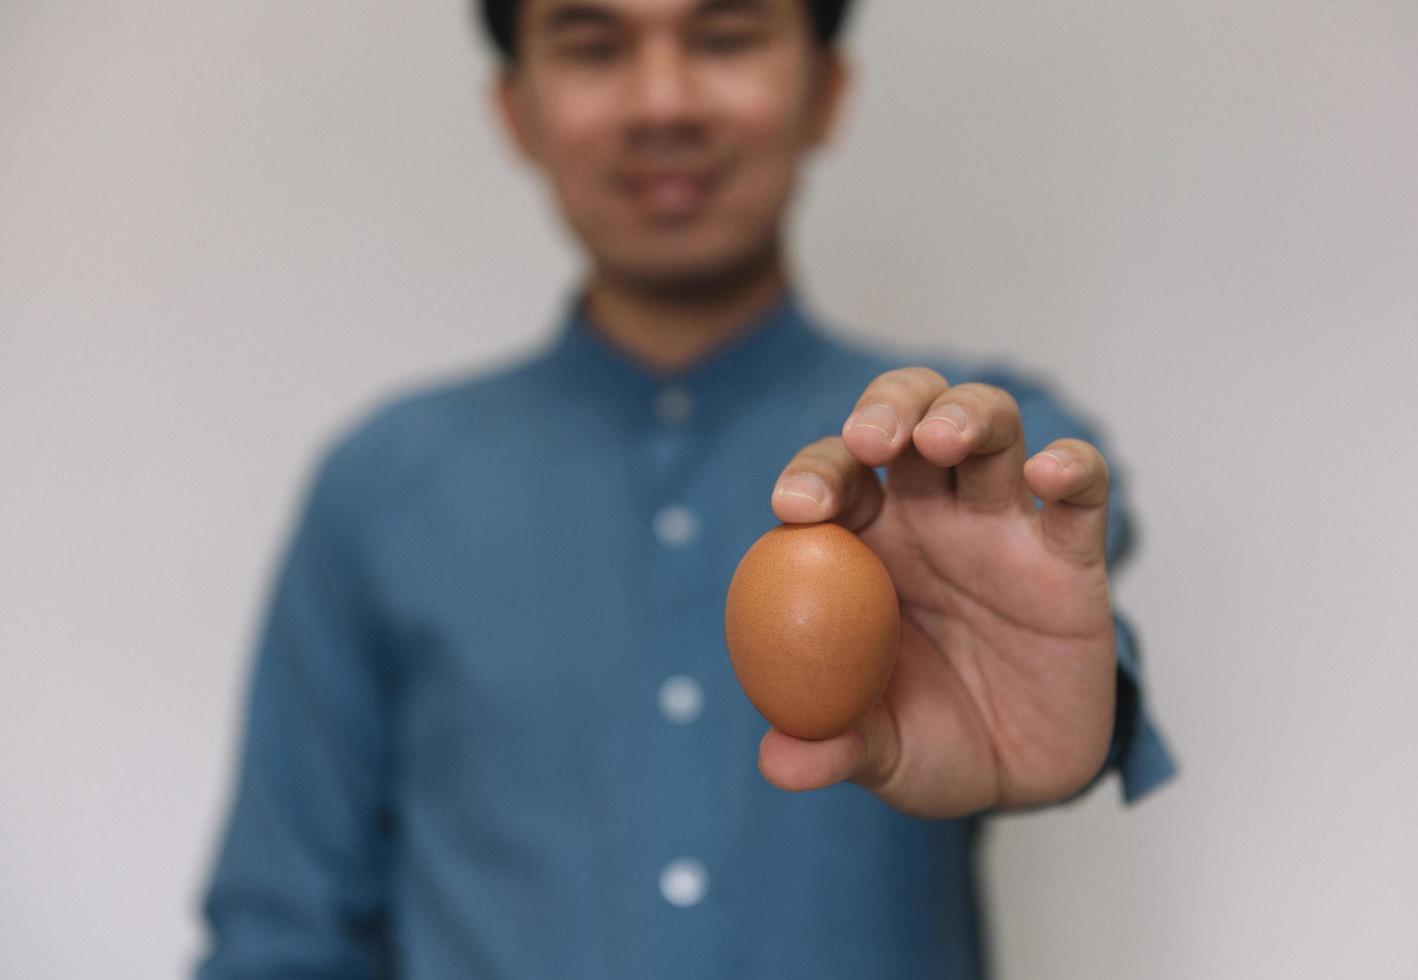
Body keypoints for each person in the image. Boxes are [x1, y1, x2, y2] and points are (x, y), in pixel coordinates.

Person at [195, 0, 1176, 976]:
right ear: (516, 110)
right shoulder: (380, 485)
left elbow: (1059, 605)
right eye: (592, 47)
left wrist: (1089, 710)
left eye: (724, 36)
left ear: (824, 90)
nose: (661, 101)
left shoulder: (971, 459)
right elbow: (284, 934)